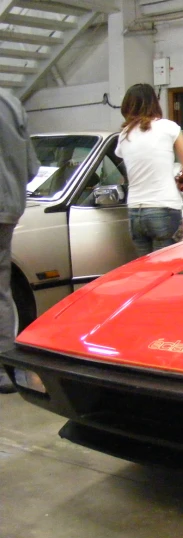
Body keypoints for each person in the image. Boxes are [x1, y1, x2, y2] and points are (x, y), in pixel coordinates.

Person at [115, 83, 183, 257]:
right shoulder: (168, 127)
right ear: (154, 103)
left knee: (147, 273)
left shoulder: (124, 135)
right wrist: (180, 177)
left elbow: (130, 172)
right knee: (165, 270)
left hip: (135, 211)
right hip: (164, 208)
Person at [0, 89, 40, 393]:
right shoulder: (11, 103)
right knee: (1, 293)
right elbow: (31, 168)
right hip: (8, 208)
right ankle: (4, 372)